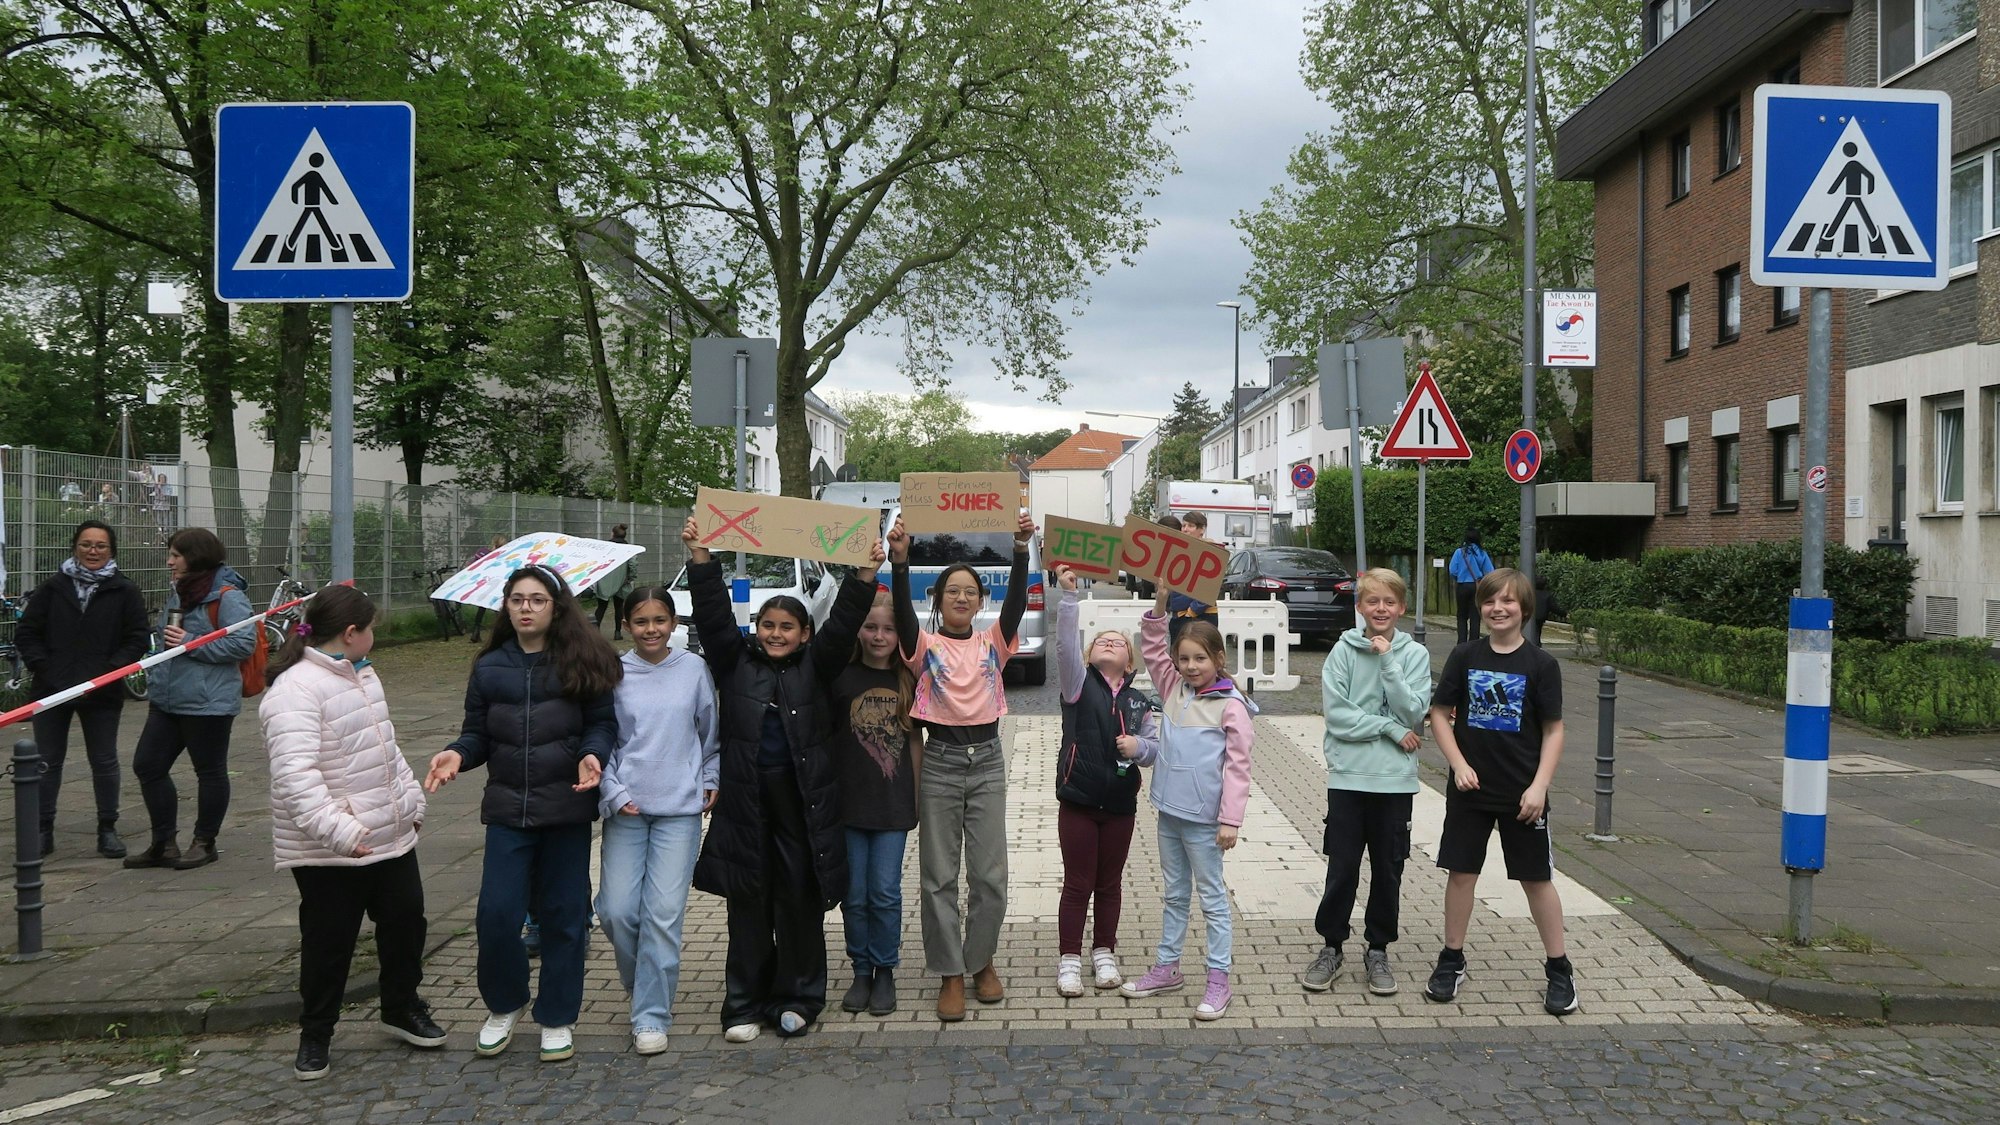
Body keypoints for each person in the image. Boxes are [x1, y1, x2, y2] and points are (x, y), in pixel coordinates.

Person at [682, 516, 880, 1042]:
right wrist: (703, 559)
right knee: (749, 902)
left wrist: (865, 574)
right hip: (745, 804)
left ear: (804, 634)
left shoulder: (818, 666)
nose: (775, 634)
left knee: (798, 899)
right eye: (768, 626)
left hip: (802, 804)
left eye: (787, 627)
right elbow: (713, 617)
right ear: (758, 631)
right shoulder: (733, 664)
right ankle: (744, 1004)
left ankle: (798, 998)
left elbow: (844, 622)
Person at [423, 565, 620, 1063]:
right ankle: (505, 1004)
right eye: (516, 600)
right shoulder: (489, 667)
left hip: (566, 809)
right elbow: (477, 734)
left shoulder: (582, 661)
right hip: (509, 811)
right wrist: (457, 754)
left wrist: (593, 754)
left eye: (536, 600)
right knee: (496, 915)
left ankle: (557, 1017)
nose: (526, 608)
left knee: (565, 919)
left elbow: (602, 724)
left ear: (556, 608)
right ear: (505, 607)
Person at [260, 585, 445, 1081]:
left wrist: (410, 802)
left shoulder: (363, 675)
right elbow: (295, 779)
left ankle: (400, 1006)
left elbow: (384, 749)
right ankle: (316, 1033)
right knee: (329, 943)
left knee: (406, 924)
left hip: (389, 835)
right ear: (349, 633)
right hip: (331, 849)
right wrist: (340, 832)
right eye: (371, 630)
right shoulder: (295, 691)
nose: (374, 638)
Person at [886, 510, 1035, 1022]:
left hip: (988, 762)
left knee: (990, 875)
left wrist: (1020, 551)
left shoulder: (994, 643)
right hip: (942, 764)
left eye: (971, 590)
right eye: (952, 589)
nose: (962, 597)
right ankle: (950, 972)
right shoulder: (923, 648)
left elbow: (1016, 606)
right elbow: (902, 619)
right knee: (938, 877)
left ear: (980, 601)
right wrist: (899, 563)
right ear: (939, 598)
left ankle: (982, 963)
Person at [1424, 568, 1576, 1017]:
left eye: (1508, 601)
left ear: (1524, 610)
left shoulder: (1542, 665)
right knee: (1462, 873)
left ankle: (1559, 968)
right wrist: (1458, 764)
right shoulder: (1465, 655)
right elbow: (1438, 713)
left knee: (1536, 880)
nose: (1498, 608)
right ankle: (1452, 959)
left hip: (1523, 796)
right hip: (1470, 790)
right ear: (1481, 608)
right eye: (1491, 601)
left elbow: (1554, 730)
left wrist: (1539, 786)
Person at [1120, 585, 1256, 1020]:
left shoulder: (1232, 707)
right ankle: (1167, 968)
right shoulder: (1172, 687)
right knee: (1175, 894)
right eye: (1185, 659)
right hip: (1169, 813)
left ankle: (1219, 979)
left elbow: (1239, 768)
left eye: (1200, 658)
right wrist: (1160, 603)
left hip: (1205, 822)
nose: (1191, 666)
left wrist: (1230, 820)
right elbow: (1153, 643)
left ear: (1218, 660)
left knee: (1212, 898)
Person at [594, 585, 719, 1055]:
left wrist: (711, 775)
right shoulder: (611, 672)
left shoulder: (693, 670)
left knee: (662, 916)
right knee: (617, 910)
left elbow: (710, 733)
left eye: (660, 620)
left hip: (679, 810)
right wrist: (613, 790)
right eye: (641, 622)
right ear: (626, 625)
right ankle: (645, 982)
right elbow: (599, 738)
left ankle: (650, 1014)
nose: (652, 629)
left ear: (674, 623)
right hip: (626, 807)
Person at [1303, 567, 1431, 997]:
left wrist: (1387, 660)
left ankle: (1378, 949)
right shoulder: (1341, 652)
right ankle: (1332, 946)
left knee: (1388, 871)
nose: (1381, 609)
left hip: (1394, 782)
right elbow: (1338, 717)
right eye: (1372, 601)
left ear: (1402, 608)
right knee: (1342, 869)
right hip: (1349, 778)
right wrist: (1389, 729)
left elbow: (1414, 713)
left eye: (1389, 602)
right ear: (1359, 607)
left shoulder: (1414, 655)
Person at [1051, 564, 1158, 998]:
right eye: (1102, 641)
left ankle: (1104, 953)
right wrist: (1070, 599)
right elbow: (1062, 648)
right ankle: (1069, 960)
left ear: (1130, 661)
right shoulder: (1077, 686)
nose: (1110, 643)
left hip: (1119, 808)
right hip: (1078, 802)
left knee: (1110, 884)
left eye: (1118, 642)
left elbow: (1154, 749)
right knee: (1078, 883)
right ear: (1090, 655)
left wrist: (1139, 748)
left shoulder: (1138, 701)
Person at [14, 520, 150, 859]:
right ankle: (42, 830)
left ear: (111, 551)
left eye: (100, 546)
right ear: (75, 547)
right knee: (46, 762)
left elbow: (136, 639)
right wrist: (45, 668)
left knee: (104, 761)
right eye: (86, 544)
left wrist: (106, 672)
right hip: (52, 689)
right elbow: (27, 633)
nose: (93, 551)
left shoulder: (125, 591)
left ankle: (108, 828)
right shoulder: (53, 588)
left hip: (101, 691)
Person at [125, 528, 256, 871]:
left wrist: (191, 641)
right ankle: (164, 843)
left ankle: (204, 842)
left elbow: (243, 645)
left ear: (195, 556)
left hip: (207, 702)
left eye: (176, 555)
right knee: (148, 765)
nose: (169, 562)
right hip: (167, 699)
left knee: (209, 771)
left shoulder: (227, 597)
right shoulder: (179, 592)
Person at [832, 588, 921, 1018]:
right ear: (858, 631)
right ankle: (860, 969)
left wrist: (916, 795)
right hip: (848, 806)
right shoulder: (841, 677)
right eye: (871, 627)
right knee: (855, 893)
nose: (880, 635)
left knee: (884, 891)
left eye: (888, 628)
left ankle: (885, 969)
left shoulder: (907, 681)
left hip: (891, 806)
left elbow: (916, 745)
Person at [1166, 512, 1220, 648]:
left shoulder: (1211, 551)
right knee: (1178, 658)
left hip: (1200, 616)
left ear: (1201, 529)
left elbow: (1210, 585)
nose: (1185, 529)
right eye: (1183, 525)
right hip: (1179, 615)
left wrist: (1193, 611)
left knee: (1203, 654)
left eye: (1190, 526)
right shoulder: (1178, 550)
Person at [1448, 528, 1495, 644]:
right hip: (1477, 585)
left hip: (1462, 585)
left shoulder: (1459, 552)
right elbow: (1490, 571)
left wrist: (1459, 576)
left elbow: (1452, 570)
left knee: (1462, 615)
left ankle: (1461, 642)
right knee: (1475, 615)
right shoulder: (1482, 553)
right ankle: (1474, 642)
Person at [593, 525, 638, 640]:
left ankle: (595, 632)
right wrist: (630, 578)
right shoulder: (628, 549)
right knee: (619, 607)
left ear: (612, 534)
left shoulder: (605, 547)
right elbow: (633, 564)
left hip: (605, 582)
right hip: (622, 582)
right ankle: (617, 632)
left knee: (601, 607)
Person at [467, 535, 508, 645]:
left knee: (482, 607)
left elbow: (472, 565)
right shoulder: (503, 556)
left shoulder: (483, 553)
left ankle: (475, 633)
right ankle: (500, 633)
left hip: (484, 583)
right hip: (497, 584)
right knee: (498, 608)